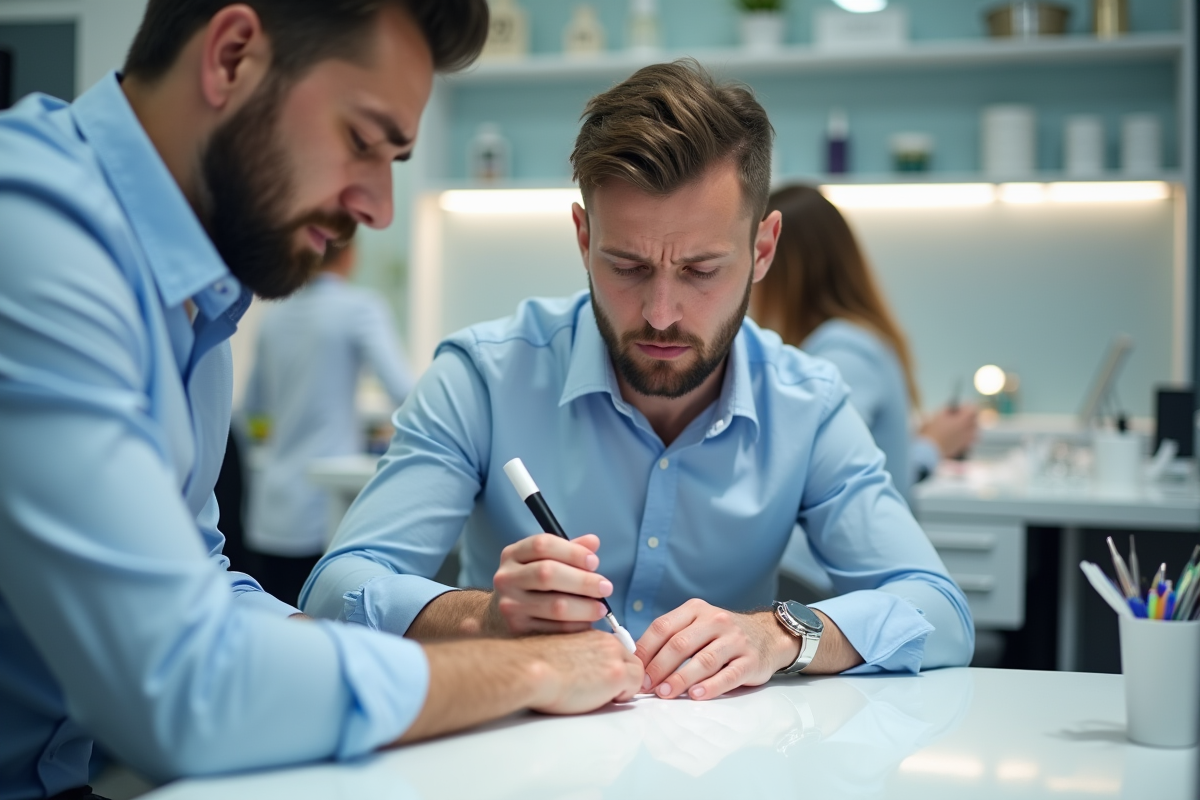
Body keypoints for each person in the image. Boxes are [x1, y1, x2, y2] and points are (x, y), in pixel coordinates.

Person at [0, 2, 643, 798]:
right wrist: (523, 669)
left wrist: (467, 646)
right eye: (362, 141)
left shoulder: (197, 302)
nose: (377, 207)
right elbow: (184, 688)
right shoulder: (30, 233)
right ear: (232, 56)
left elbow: (206, 588)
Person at [302, 61, 975, 705]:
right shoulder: (482, 378)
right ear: (583, 237)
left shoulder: (808, 404)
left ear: (762, 250)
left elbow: (938, 609)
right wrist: (483, 618)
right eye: (626, 266)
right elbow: (335, 587)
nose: (660, 313)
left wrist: (777, 635)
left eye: (701, 270)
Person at [751, 185, 978, 505]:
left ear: (783, 267)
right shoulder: (855, 340)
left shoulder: (842, 353)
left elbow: (830, 477)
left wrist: (930, 445)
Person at [243, 239, 414, 605]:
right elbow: (405, 392)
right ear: (351, 254)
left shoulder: (273, 315)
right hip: (323, 511)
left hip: (271, 509)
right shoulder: (359, 308)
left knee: (277, 627)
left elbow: (252, 407)